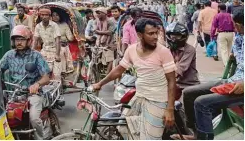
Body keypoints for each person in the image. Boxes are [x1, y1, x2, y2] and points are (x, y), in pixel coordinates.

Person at [92, 18, 176, 140]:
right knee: (122, 127)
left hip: (157, 100)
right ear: (140, 35)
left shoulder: (164, 52)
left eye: (156, 33)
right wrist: (100, 83)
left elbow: (172, 81)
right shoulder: (131, 50)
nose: (155, 37)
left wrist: (170, 110)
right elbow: (119, 70)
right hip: (139, 97)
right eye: (150, 33)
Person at [176, 11, 244, 140]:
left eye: (235, 25)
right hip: (232, 81)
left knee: (202, 103)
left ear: (239, 25)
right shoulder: (240, 36)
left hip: (242, 86)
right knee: (188, 93)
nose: (234, 27)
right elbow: (234, 55)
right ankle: (197, 133)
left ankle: (205, 138)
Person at [0, 25, 51, 140]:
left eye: (22, 39)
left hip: (32, 94)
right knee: (0, 118)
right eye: (17, 39)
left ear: (29, 40)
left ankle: (39, 138)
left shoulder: (36, 56)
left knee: (33, 118)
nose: (19, 42)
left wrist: (37, 85)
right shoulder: (9, 55)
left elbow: (46, 77)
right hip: (13, 95)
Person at [166, 22, 199, 91]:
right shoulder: (167, 49)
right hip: (172, 83)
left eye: (177, 36)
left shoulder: (189, 50)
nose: (174, 39)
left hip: (188, 85)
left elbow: (179, 70)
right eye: (172, 35)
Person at [33, 7, 61, 79]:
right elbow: (35, 40)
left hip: (55, 50)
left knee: (56, 75)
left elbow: (58, 40)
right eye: (42, 15)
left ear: (49, 16)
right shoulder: (38, 26)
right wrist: (32, 52)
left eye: (46, 15)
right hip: (44, 50)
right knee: (41, 73)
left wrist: (57, 54)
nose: (44, 17)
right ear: (40, 16)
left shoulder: (54, 25)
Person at [92, 7, 116, 73]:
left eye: (99, 13)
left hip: (109, 41)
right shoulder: (95, 21)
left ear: (104, 13)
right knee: (95, 57)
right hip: (98, 41)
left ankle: (107, 74)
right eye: (96, 13)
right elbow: (94, 30)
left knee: (110, 58)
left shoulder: (110, 21)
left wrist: (98, 32)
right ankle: (98, 73)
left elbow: (110, 32)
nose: (97, 14)